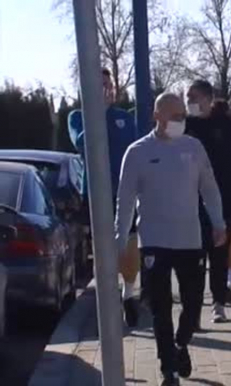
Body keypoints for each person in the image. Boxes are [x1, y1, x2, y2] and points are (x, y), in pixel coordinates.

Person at [115, 93, 227, 386]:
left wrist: (218, 222)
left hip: (190, 239)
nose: (180, 121)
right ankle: (169, 370)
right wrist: (119, 240)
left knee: (192, 305)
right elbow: (125, 201)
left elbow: (210, 188)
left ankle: (181, 343)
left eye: (182, 116)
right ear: (157, 116)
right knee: (160, 308)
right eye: (174, 116)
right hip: (153, 241)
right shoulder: (137, 152)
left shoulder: (194, 148)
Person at [68, 68, 141, 328]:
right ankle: (107, 302)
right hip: (98, 195)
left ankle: (129, 294)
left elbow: (136, 150)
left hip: (125, 193)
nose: (106, 89)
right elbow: (82, 142)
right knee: (103, 250)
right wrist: (96, 111)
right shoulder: (78, 117)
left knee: (130, 245)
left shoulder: (124, 118)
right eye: (99, 85)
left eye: (108, 84)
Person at [185, 80, 231, 324]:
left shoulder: (228, 128)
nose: (190, 101)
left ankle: (219, 301)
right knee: (193, 262)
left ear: (209, 99)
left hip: (221, 204)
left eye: (195, 97)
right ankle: (194, 310)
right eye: (187, 96)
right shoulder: (184, 126)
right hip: (189, 205)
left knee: (219, 256)